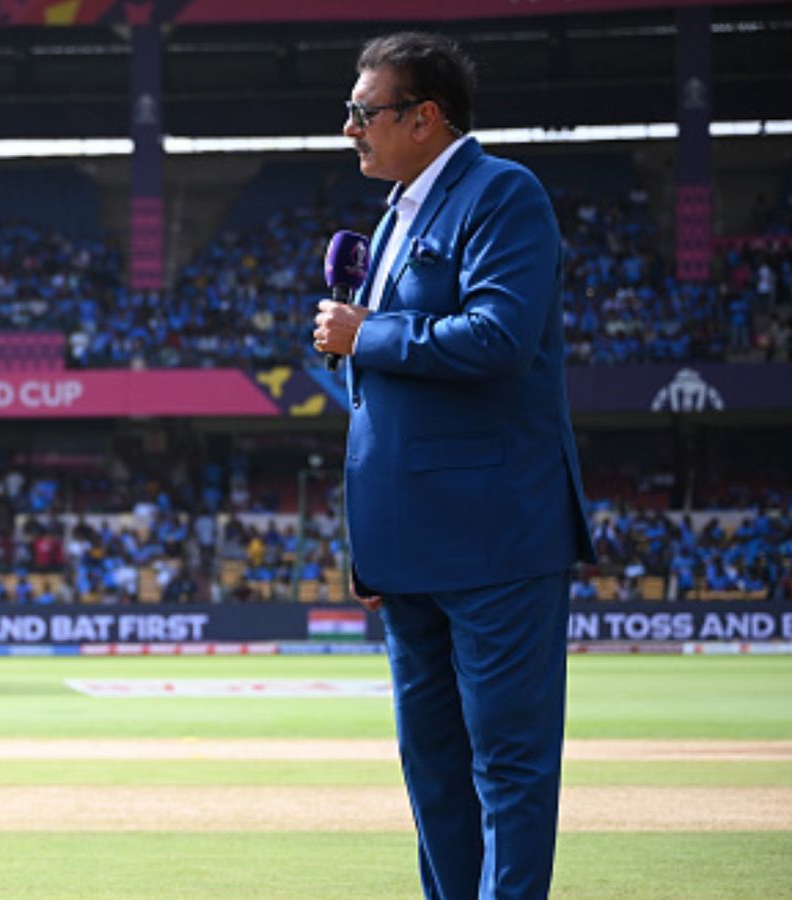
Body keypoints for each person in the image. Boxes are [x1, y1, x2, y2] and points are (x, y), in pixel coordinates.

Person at [312, 33, 594, 900]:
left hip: (496, 538)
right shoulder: (397, 213)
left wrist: (369, 334)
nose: (350, 127)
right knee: (432, 768)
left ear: (425, 118)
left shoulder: (503, 193)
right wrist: (370, 545)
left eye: (365, 112)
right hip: (409, 550)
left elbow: (500, 339)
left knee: (507, 763)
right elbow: (383, 400)